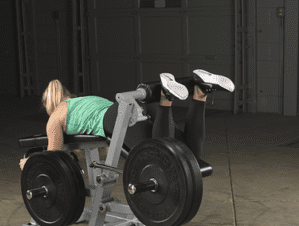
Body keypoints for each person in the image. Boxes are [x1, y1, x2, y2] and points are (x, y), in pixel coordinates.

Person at [20, 70, 234, 170]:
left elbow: (53, 157)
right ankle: (200, 91)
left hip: (117, 117)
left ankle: (167, 96)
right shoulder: (85, 100)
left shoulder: (55, 118)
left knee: (160, 156)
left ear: (49, 105)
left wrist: (29, 162)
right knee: (190, 154)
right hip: (133, 105)